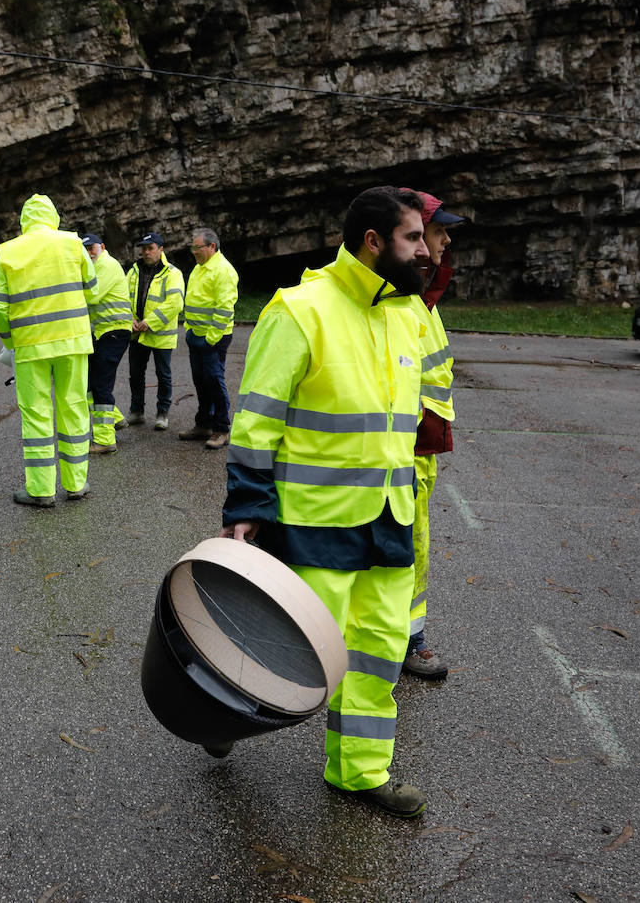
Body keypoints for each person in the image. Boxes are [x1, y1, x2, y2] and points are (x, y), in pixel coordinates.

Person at [220, 186, 432, 818]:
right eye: (413, 238)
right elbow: (257, 422)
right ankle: (218, 710)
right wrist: (246, 507)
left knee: (377, 651)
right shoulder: (299, 310)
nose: (426, 250)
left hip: (389, 520)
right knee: (288, 651)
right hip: (316, 523)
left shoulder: (408, 313)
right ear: (374, 241)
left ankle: (360, 773)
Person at [0, 194, 97, 507]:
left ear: (24, 220)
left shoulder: (9, 250)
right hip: (72, 342)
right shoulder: (72, 243)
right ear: (54, 216)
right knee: (74, 406)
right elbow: (93, 289)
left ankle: (41, 490)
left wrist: (9, 340)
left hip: (29, 345)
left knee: (36, 415)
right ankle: (76, 484)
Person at [397, 189, 465, 680]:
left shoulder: (425, 296)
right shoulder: (401, 299)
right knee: (403, 545)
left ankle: (409, 635)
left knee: (416, 544)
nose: (442, 241)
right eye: (433, 231)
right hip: (401, 448)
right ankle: (406, 639)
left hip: (423, 447)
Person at [179, 228, 239, 450]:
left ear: (212, 246)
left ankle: (221, 429)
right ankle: (203, 425)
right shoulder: (200, 268)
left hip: (213, 338)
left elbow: (224, 308)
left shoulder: (223, 271)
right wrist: (190, 330)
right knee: (201, 381)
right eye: (193, 247)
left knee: (214, 381)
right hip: (196, 335)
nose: (194, 251)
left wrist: (211, 339)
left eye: (198, 247)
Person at [125, 232, 184, 430]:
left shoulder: (172, 273)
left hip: (159, 334)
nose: (146, 252)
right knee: (135, 373)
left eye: (150, 248)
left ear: (161, 249)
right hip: (137, 332)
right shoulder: (133, 272)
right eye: (143, 249)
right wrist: (130, 318)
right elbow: (123, 298)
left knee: (163, 375)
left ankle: (162, 413)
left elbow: (175, 303)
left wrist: (150, 322)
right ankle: (136, 411)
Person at [81, 232, 132, 454]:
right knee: (90, 382)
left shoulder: (107, 265)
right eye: (85, 249)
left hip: (113, 333)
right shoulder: (96, 266)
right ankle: (115, 419)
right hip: (104, 334)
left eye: (91, 248)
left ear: (101, 246)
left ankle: (104, 440)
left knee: (101, 384)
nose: (89, 253)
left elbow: (90, 296)